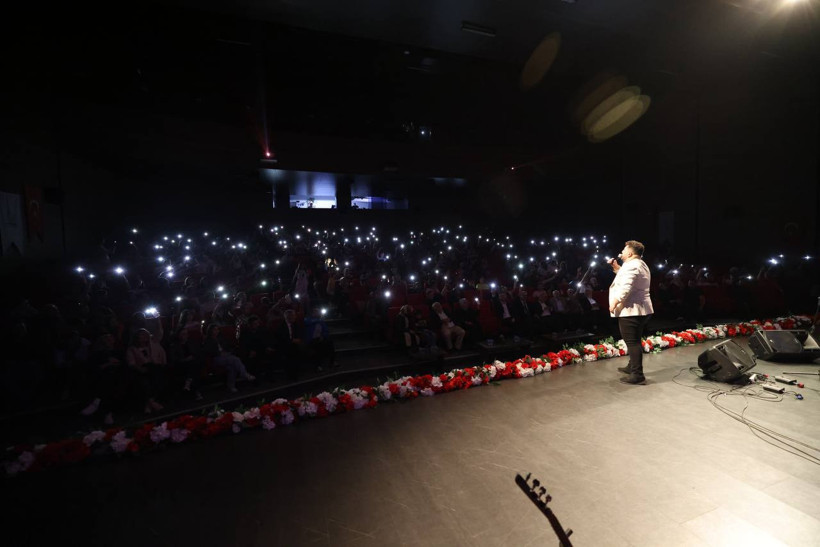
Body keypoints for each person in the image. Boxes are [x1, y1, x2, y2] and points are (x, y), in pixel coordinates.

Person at [608, 240, 654, 385]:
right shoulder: (638, 264)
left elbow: (626, 286)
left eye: (623, 249)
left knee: (632, 342)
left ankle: (637, 375)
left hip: (632, 310)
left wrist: (615, 301)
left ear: (630, 253)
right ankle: (632, 366)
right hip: (639, 309)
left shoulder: (632, 266)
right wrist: (616, 268)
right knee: (635, 340)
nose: (621, 252)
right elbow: (628, 278)